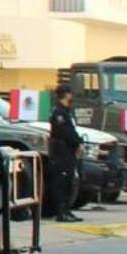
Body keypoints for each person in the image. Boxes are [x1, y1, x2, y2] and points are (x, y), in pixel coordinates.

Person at [48, 85, 83, 223]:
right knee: (61, 182)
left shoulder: (66, 112)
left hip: (68, 151)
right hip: (61, 152)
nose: (72, 96)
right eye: (70, 93)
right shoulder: (59, 113)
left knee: (69, 182)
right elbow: (65, 132)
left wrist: (78, 142)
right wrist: (77, 142)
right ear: (66, 95)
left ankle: (67, 211)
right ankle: (61, 212)